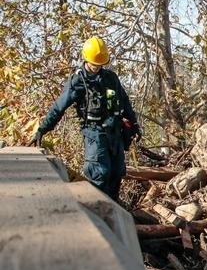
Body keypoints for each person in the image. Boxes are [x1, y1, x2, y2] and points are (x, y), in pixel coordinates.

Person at [28, 36, 141, 202]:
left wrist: (135, 124)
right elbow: (58, 108)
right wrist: (42, 129)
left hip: (115, 133)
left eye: (100, 64)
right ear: (86, 59)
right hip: (94, 134)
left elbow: (124, 102)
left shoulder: (111, 78)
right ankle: (97, 216)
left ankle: (115, 214)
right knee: (99, 174)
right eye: (94, 63)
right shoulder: (78, 82)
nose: (97, 67)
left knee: (117, 172)